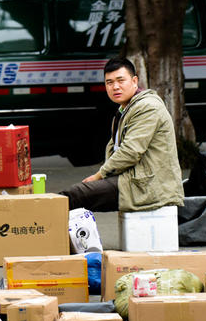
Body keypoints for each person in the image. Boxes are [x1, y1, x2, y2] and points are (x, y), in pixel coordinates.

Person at [59, 57, 184, 214]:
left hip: (148, 186)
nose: (115, 87)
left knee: (73, 196)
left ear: (134, 81)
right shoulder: (125, 109)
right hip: (134, 180)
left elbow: (130, 151)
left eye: (120, 80)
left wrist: (99, 175)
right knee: (78, 199)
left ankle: (38, 231)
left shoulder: (148, 107)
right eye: (109, 83)